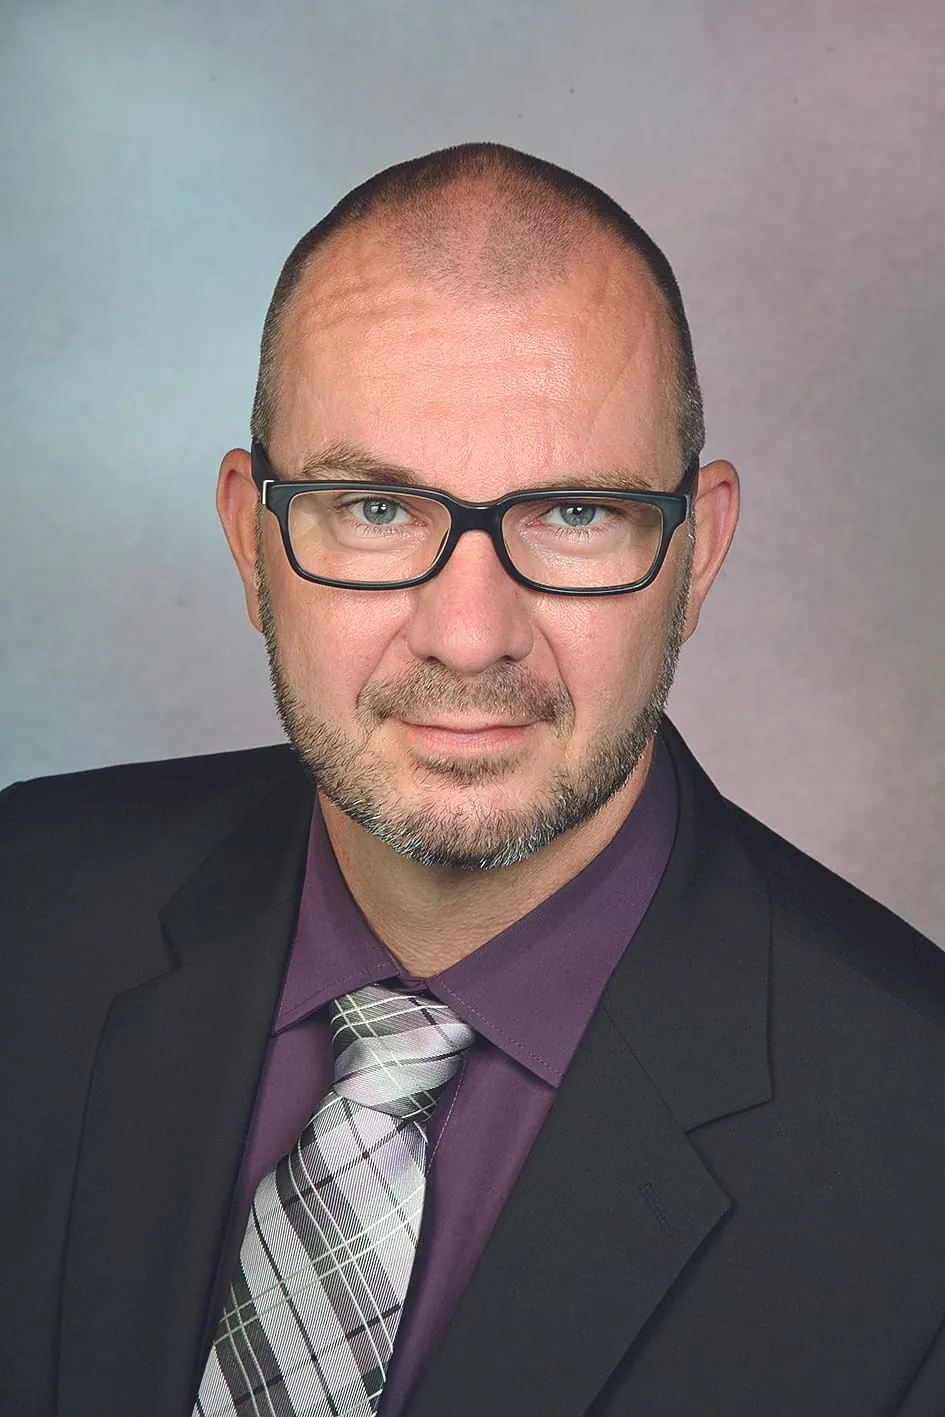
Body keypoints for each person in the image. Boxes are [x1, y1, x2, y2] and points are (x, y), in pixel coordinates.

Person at [3, 142, 945, 1417]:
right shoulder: (25, 906)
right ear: (251, 538)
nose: (467, 635)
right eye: (375, 509)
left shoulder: (918, 1154)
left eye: (575, 514)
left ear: (699, 553)